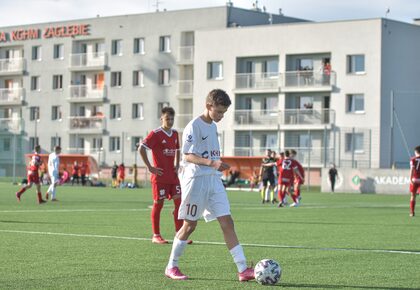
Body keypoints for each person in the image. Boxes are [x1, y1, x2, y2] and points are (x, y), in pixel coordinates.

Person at [165, 89, 255, 281]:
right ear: (209, 106)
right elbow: (187, 155)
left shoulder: (213, 126)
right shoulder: (193, 126)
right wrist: (212, 163)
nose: (221, 116)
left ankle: (243, 269)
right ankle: (171, 266)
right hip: (196, 180)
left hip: (213, 181)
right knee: (189, 226)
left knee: (227, 222)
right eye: (219, 112)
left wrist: (215, 166)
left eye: (224, 112)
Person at [139, 106, 186, 244]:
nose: (170, 121)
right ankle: (156, 235)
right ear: (161, 119)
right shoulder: (155, 133)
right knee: (158, 204)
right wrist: (150, 167)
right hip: (160, 177)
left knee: (179, 203)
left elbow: (177, 149)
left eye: (172, 119)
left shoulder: (175, 133)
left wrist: (177, 164)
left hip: (173, 176)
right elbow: (141, 148)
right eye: (167, 119)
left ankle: (179, 234)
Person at [409, 146, 420, 217]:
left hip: (414, 179)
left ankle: (412, 212)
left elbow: (412, 170)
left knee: (413, 196)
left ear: (416, 152)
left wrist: (410, 179)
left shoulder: (413, 159)